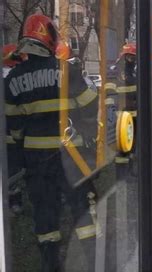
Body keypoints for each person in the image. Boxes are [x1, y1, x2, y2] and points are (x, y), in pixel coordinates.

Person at [4, 14, 98, 271]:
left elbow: (14, 127)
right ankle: (93, 260)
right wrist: (86, 131)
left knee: (45, 212)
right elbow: (90, 107)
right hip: (70, 156)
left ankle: (50, 263)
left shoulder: (12, 81)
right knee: (82, 209)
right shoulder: (68, 71)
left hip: (36, 161)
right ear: (49, 39)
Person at [3, 43, 26, 215]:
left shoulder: (9, 77)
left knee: (12, 171)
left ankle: (13, 203)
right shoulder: (12, 78)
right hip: (14, 136)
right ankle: (14, 203)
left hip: (9, 135)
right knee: (14, 172)